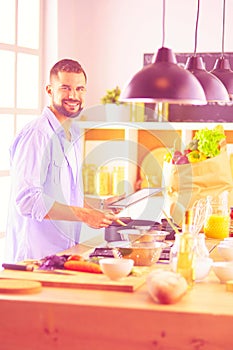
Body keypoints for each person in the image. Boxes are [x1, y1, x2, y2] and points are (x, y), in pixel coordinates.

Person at [5, 58, 120, 262]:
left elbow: (67, 195)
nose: (73, 96)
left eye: (80, 89)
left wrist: (99, 205)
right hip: (34, 259)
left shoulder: (72, 134)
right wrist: (85, 215)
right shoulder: (38, 135)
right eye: (65, 88)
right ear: (49, 90)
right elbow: (27, 201)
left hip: (63, 254)